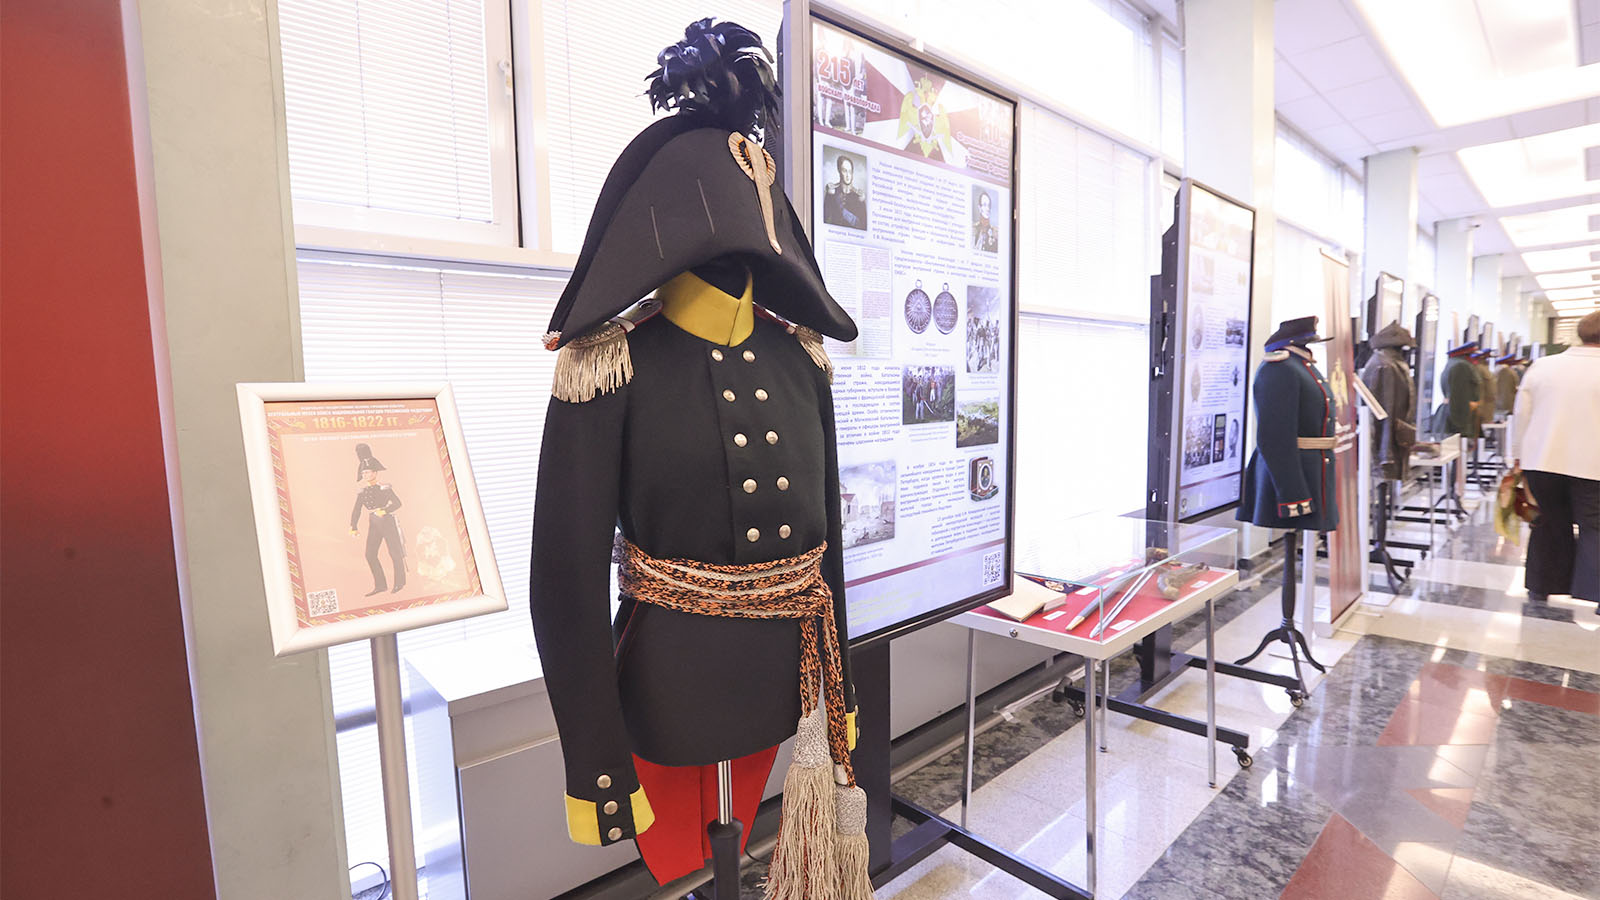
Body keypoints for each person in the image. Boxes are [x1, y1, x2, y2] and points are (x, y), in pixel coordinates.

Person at [1512, 310, 1600, 612]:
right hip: (1593, 464)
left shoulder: (1543, 365)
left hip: (1542, 458)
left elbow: (1521, 414)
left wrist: (1518, 456)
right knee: (1595, 527)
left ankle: (1541, 586)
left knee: (1547, 522)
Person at [348, 445, 405, 596]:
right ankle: (380, 585)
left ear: (375, 472)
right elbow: (357, 510)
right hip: (373, 522)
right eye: (363, 473)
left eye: (368, 472)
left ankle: (399, 583)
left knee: (394, 553)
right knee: (370, 554)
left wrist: (384, 510)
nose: (365, 475)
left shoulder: (384, 488)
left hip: (387, 521)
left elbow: (398, 503)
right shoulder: (362, 492)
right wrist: (353, 526)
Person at [821, 153, 867, 230]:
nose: (848, 175)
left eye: (850, 171)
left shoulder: (858, 198)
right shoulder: (832, 193)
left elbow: (863, 225)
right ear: (839, 171)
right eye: (845, 171)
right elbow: (825, 219)